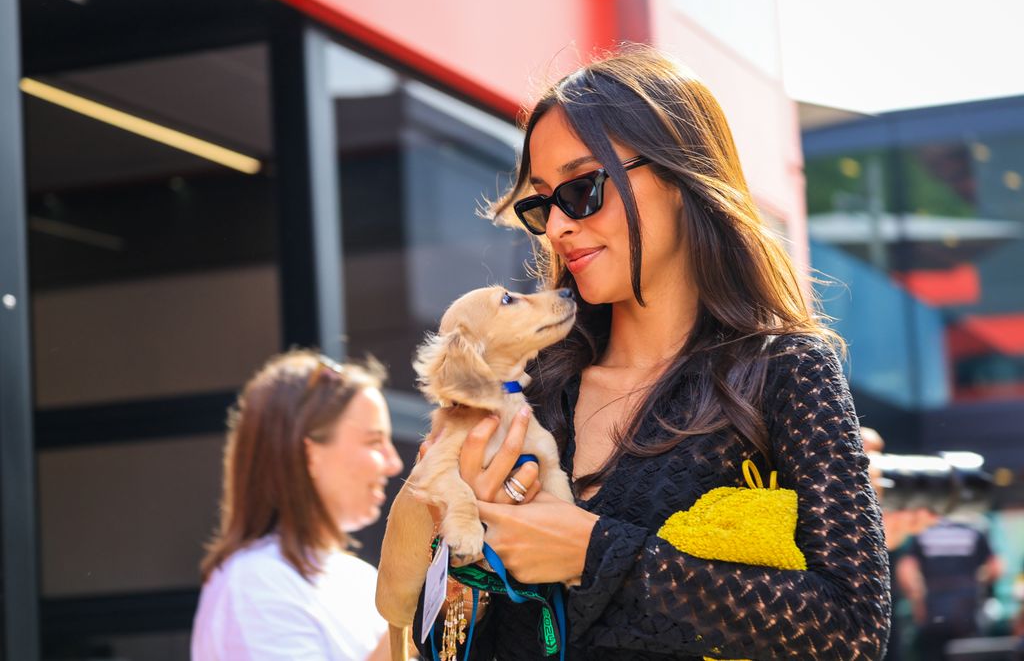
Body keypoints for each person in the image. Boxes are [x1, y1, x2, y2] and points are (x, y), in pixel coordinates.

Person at [412, 45, 890, 660]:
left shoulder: (782, 372)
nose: (558, 225)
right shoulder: (529, 387)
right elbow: (443, 643)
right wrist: (457, 570)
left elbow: (852, 628)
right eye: (541, 203)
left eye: (583, 189)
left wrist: (595, 554)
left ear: (677, 175)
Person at [191, 351, 404, 661]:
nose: (393, 463)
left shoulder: (359, 577)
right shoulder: (255, 581)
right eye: (374, 442)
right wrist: (411, 618)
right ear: (310, 454)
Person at [897, 508, 1002, 659]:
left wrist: (917, 601)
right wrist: (976, 582)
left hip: (933, 612)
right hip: (967, 612)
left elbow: (906, 571)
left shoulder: (924, 529)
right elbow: (996, 568)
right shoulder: (974, 527)